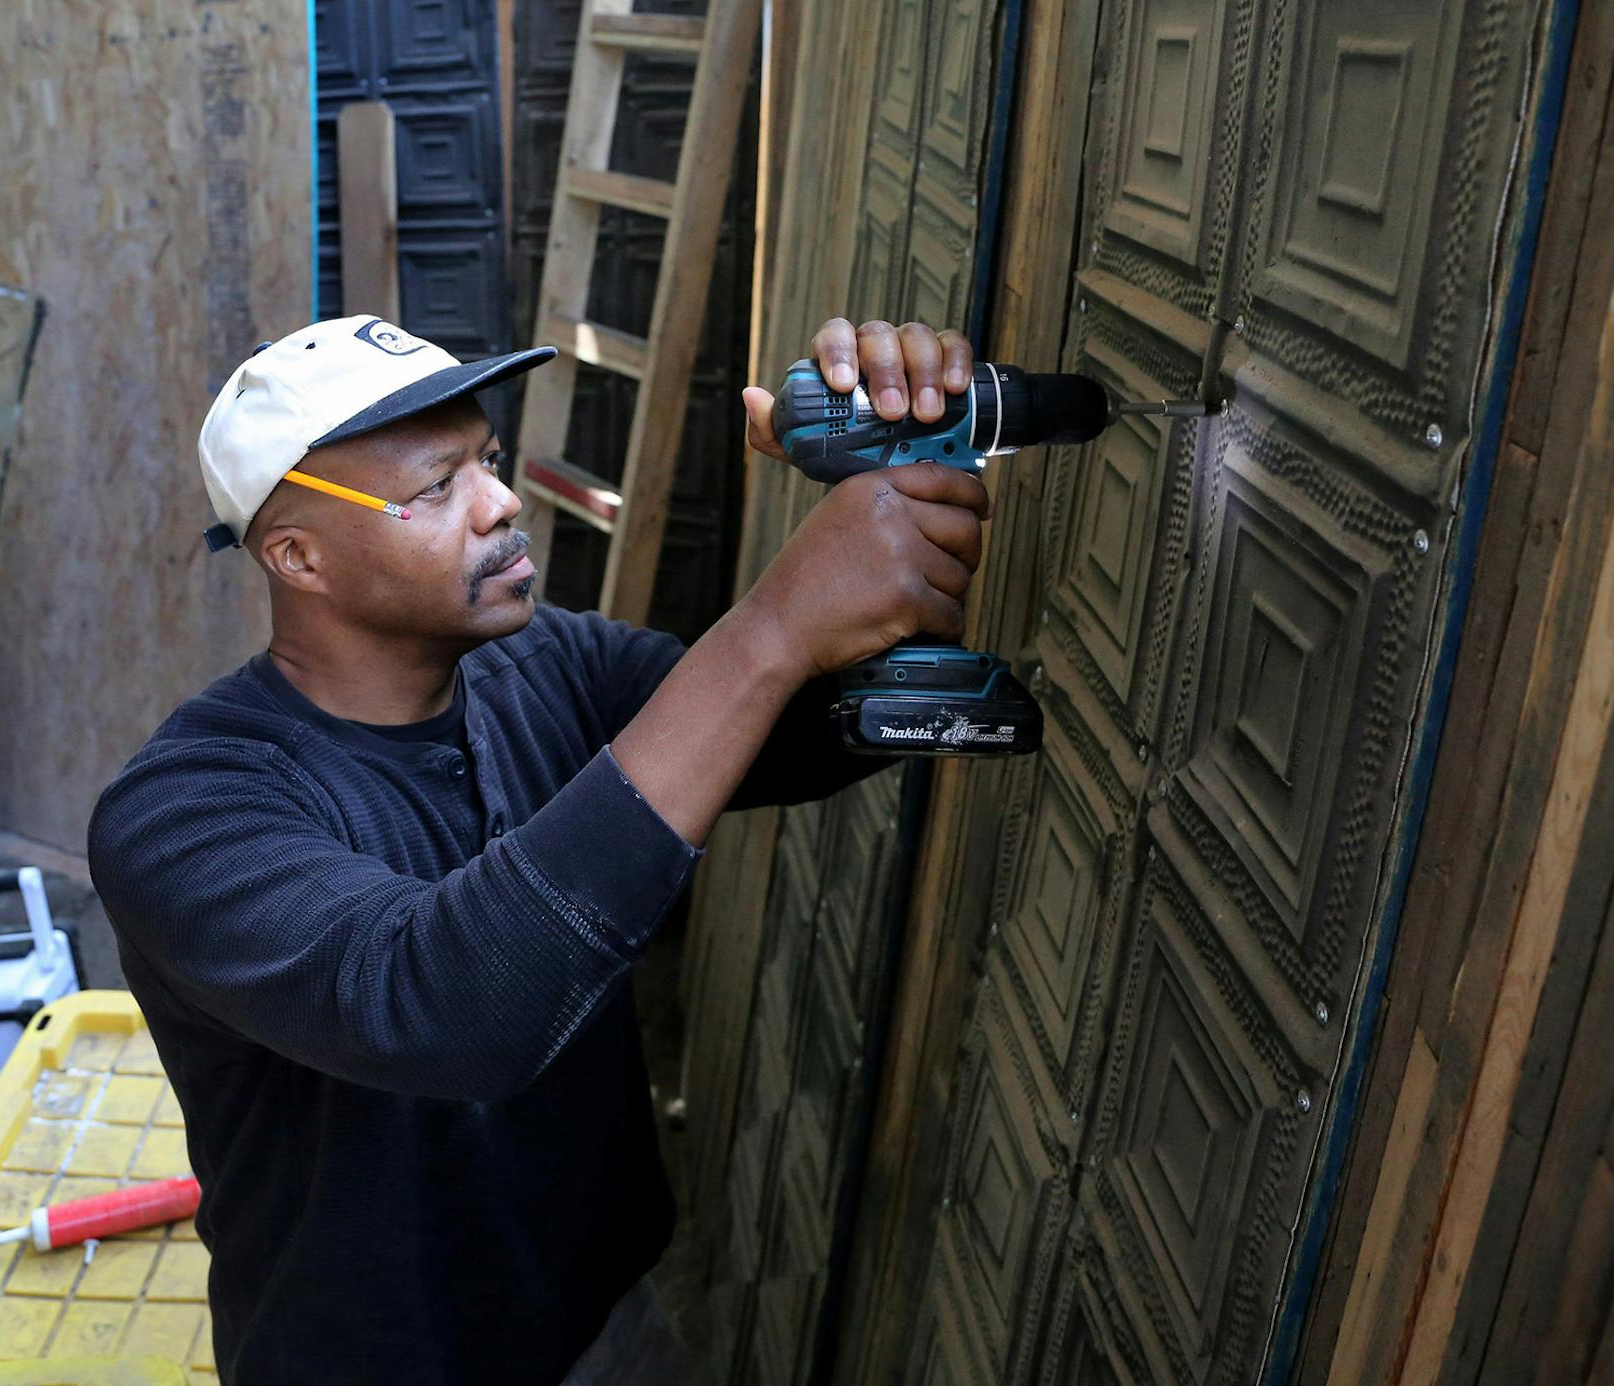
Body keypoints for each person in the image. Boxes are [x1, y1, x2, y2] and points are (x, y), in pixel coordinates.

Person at [89, 313, 990, 1385]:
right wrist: (777, 623)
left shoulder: (544, 662)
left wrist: (910, 511)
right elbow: (446, 1005)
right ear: (299, 554)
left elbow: (795, 735)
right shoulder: (186, 813)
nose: (501, 500)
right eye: (436, 485)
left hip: (603, 1314)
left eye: (489, 460)